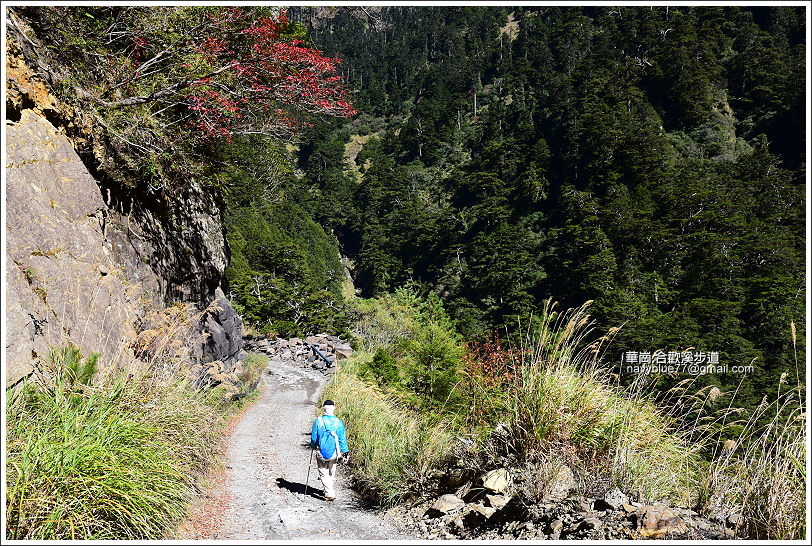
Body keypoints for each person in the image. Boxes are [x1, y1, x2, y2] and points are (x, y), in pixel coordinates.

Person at [310, 399, 349, 501]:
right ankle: (329, 489)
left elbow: (314, 438)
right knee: (332, 472)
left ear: (324, 408)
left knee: (323, 472)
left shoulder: (318, 421)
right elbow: (342, 439)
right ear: (333, 408)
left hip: (321, 452)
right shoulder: (338, 423)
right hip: (334, 453)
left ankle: (329, 493)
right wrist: (345, 451)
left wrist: (313, 446)